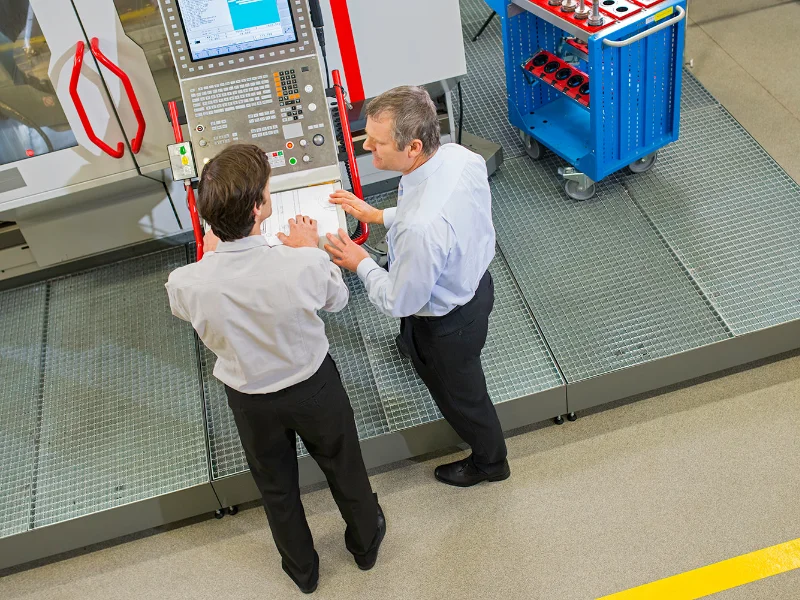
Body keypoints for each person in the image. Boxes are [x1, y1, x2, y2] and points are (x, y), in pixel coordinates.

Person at [164, 144, 385, 594]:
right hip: (313, 387)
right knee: (343, 464)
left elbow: (192, 308)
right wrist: (310, 249)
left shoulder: (185, 282)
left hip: (249, 400)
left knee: (276, 486)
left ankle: (303, 571)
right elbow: (337, 301)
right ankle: (365, 543)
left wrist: (209, 259)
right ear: (258, 208)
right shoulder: (301, 262)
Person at [325, 86, 510, 488]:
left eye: (376, 143)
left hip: (446, 327)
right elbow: (437, 210)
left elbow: (399, 300)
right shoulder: (459, 157)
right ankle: (413, 348)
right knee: (416, 343)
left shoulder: (420, 229)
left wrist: (360, 262)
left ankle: (490, 462)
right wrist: (379, 216)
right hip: (476, 286)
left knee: (463, 398)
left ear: (412, 147)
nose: (365, 147)